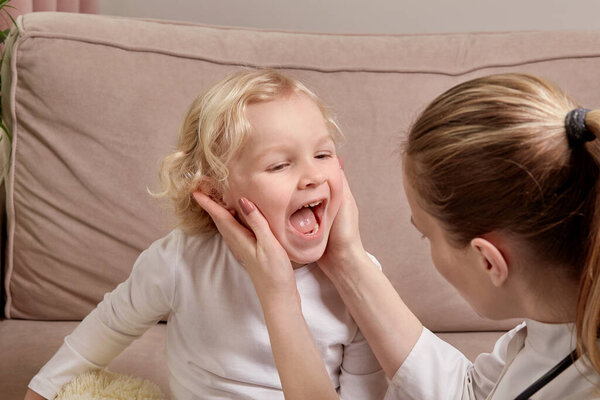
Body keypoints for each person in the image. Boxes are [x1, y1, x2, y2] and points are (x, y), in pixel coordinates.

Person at [197, 73, 600, 399]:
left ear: (489, 261)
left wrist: (278, 295)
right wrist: (344, 258)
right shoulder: (554, 328)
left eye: (426, 235)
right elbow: (470, 396)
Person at [24, 69, 388, 400]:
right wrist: (42, 389)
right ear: (216, 194)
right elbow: (110, 325)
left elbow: (365, 391)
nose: (313, 176)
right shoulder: (182, 258)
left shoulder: (359, 280)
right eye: (279, 164)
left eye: (323, 155)